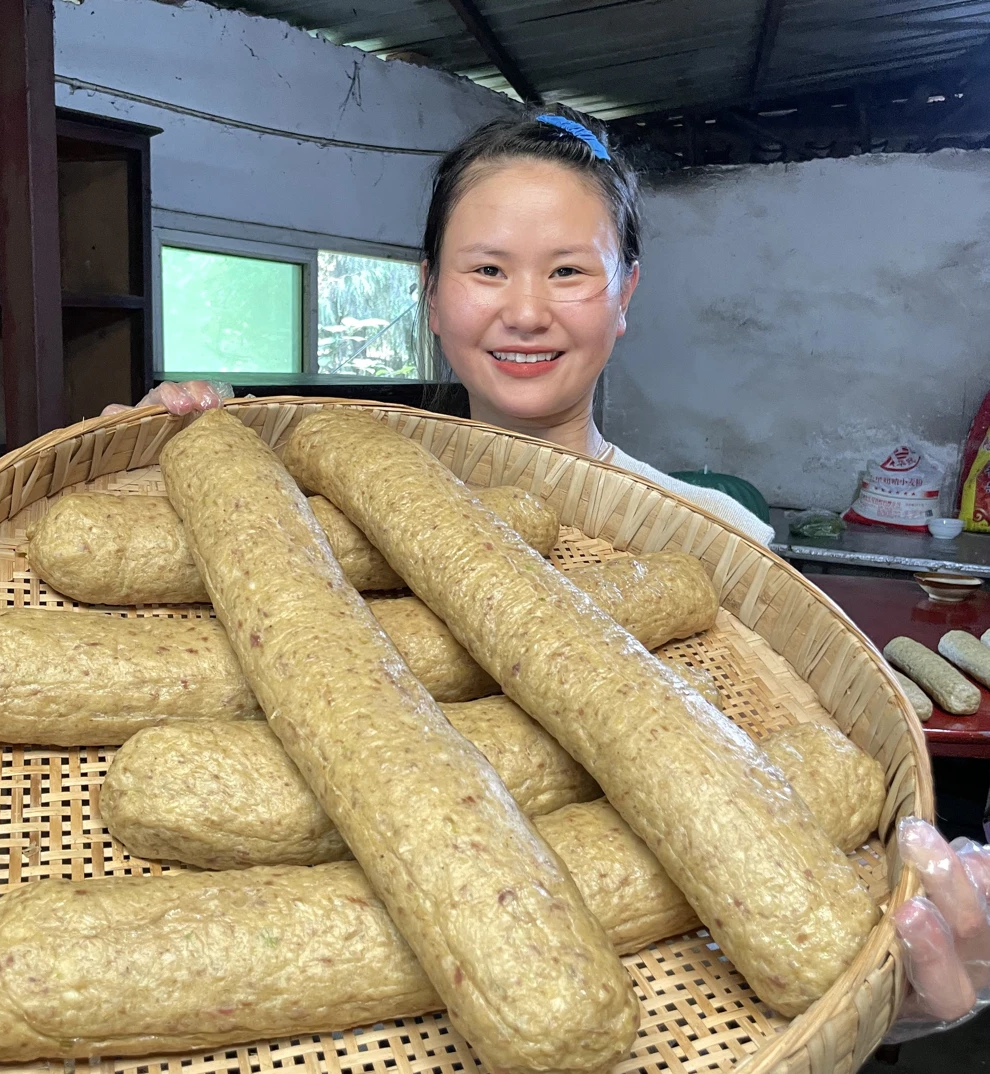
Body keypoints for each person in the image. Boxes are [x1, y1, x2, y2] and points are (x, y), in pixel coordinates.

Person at [106, 107, 989, 1036]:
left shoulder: (719, 540)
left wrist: (897, 1000)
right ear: (431, 293)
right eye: (487, 269)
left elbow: (761, 837)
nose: (525, 310)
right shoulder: (299, 514)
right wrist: (171, 456)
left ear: (625, 294)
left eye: (570, 271)